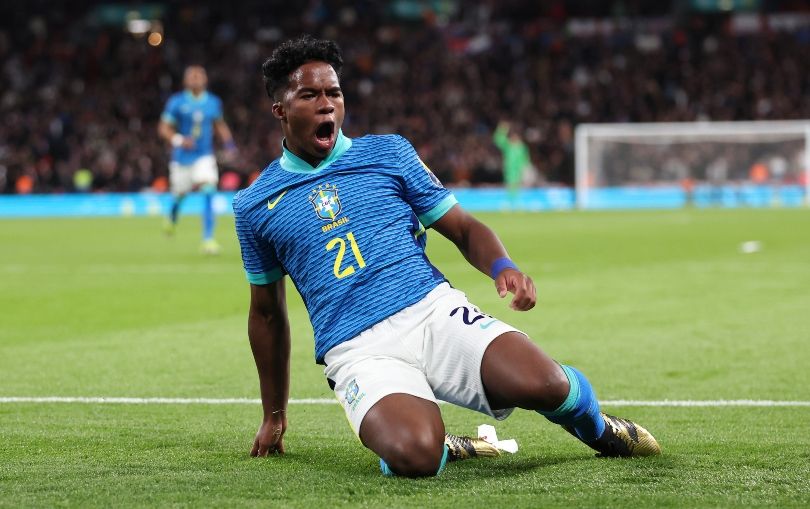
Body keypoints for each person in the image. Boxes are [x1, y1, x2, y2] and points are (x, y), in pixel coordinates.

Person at [233, 36, 661, 478]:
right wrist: (275, 414)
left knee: (545, 384)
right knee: (414, 456)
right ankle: (445, 445)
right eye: (310, 95)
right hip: (357, 350)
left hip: (432, 311)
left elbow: (463, 228)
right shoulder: (254, 205)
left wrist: (503, 267)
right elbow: (266, 315)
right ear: (280, 110)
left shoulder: (389, 153)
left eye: (334, 93)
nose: (327, 106)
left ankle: (598, 428)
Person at [158, 65, 237, 254]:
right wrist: (178, 140)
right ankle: (172, 217)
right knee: (180, 194)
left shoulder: (213, 102)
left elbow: (219, 124)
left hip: (204, 155)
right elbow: (163, 128)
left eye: (199, 75)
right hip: (181, 158)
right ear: (185, 80)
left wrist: (229, 144)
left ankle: (208, 239)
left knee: (209, 190)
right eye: (191, 76)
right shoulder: (176, 102)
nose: (195, 79)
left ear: (205, 79)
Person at [492, 120, 531, 208]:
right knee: (509, 185)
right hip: (509, 170)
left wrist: (525, 169)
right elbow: (497, 139)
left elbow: (525, 160)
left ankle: (516, 202)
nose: (514, 138)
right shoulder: (508, 145)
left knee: (516, 185)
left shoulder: (522, 147)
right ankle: (509, 202)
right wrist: (502, 129)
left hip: (518, 170)